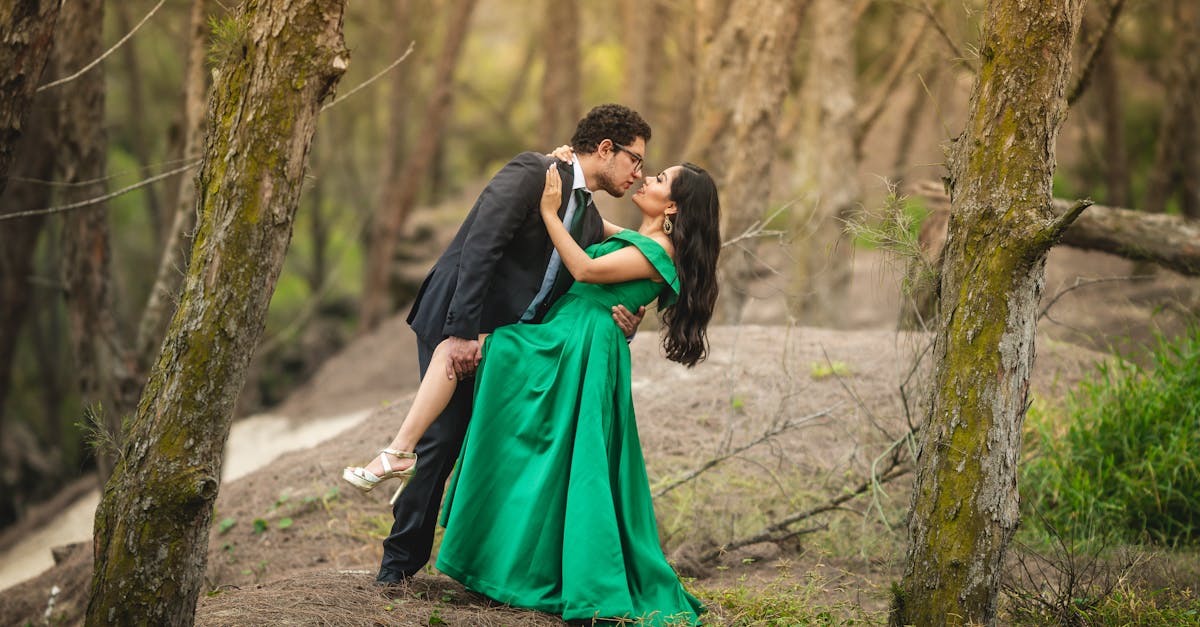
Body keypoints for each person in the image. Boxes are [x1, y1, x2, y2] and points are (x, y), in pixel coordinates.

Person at [344, 154, 722, 625]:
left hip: (570, 347)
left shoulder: (659, 253)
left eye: (660, 178)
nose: (646, 177)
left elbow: (583, 269)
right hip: (571, 341)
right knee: (545, 461)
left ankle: (399, 453)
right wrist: (565, 166)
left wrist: (547, 212)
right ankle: (409, 465)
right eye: (642, 166)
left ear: (674, 208)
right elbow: (586, 213)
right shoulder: (637, 240)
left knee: (456, 354)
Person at [363, 104, 653, 586]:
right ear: (606, 149)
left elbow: (598, 277)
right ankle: (397, 569)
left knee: (500, 441)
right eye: (635, 160)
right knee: (443, 438)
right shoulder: (531, 172)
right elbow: (480, 247)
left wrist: (628, 315)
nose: (638, 173)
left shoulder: (584, 217)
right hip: (458, 321)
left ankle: (492, 567)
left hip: (509, 344)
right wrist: (459, 333)